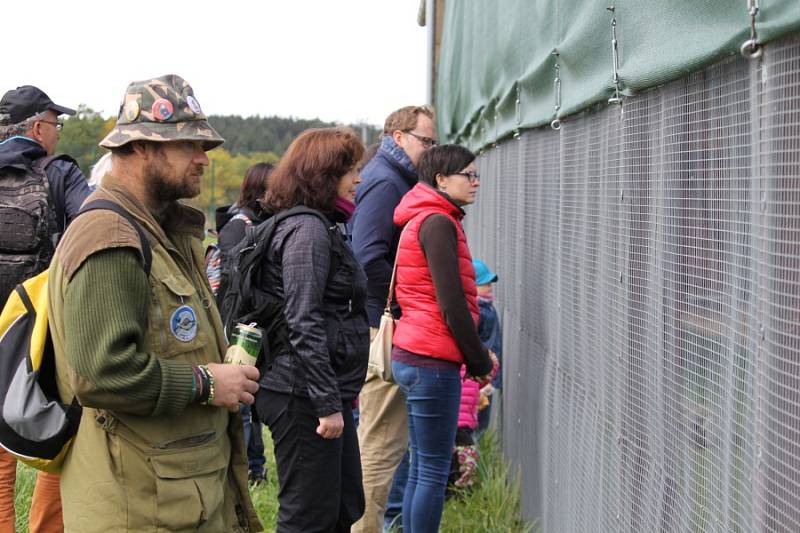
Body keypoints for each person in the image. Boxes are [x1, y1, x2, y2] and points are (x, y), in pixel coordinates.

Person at [47, 74, 262, 532]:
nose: (204, 159)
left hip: (175, 493)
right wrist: (205, 383)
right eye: (189, 145)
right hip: (140, 506)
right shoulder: (111, 235)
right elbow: (100, 372)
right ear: (141, 147)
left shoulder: (162, 230)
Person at [253, 127, 369, 531]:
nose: (359, 180)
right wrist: (326, 404)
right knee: (307, 518)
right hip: (300, 394)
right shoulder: (308, 231)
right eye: (351, 171)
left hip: (321, 392)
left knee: (343, 506)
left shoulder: (323, 226)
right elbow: (303, 319)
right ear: (324, 175)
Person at [0, 84, 91, 533]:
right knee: (56, 433)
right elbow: (93, 227)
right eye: (56, 123)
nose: (57, 132)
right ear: (38, 126)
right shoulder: (59, 172)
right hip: (39, 327)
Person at [391, 144, 496, 532]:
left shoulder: (423, 217)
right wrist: (480, 360)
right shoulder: (437, 222)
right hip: (430, 360)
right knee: (433, 469)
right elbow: (451, 305)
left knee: (423, 464)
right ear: (440, 179)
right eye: (467, 174)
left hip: (415, 353)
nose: (475, 181)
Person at [351, 105, 437, 533]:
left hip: (385, 321)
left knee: (383, 443)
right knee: (381, 445)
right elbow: (366, 257)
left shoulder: (394, 176)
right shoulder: (386, 181)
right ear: (398, 136)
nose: (431, 149)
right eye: (426, 140)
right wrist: (412, 296)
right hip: (382, 327)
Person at [216, 162, 274, 485]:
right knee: (242, 402)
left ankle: (255, 467)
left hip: (255, 323)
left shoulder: (264, 225)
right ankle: (247, 467)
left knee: (251, 398)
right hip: (239, 327)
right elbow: (233, 285)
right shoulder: (238, 228)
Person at [472, 259, 502, 433]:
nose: (489, 286)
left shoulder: (486, 308)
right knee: (477, 423)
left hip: (488, 373)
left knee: (482, 422)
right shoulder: (479, 310)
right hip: (481, 377)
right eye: (485, 283)